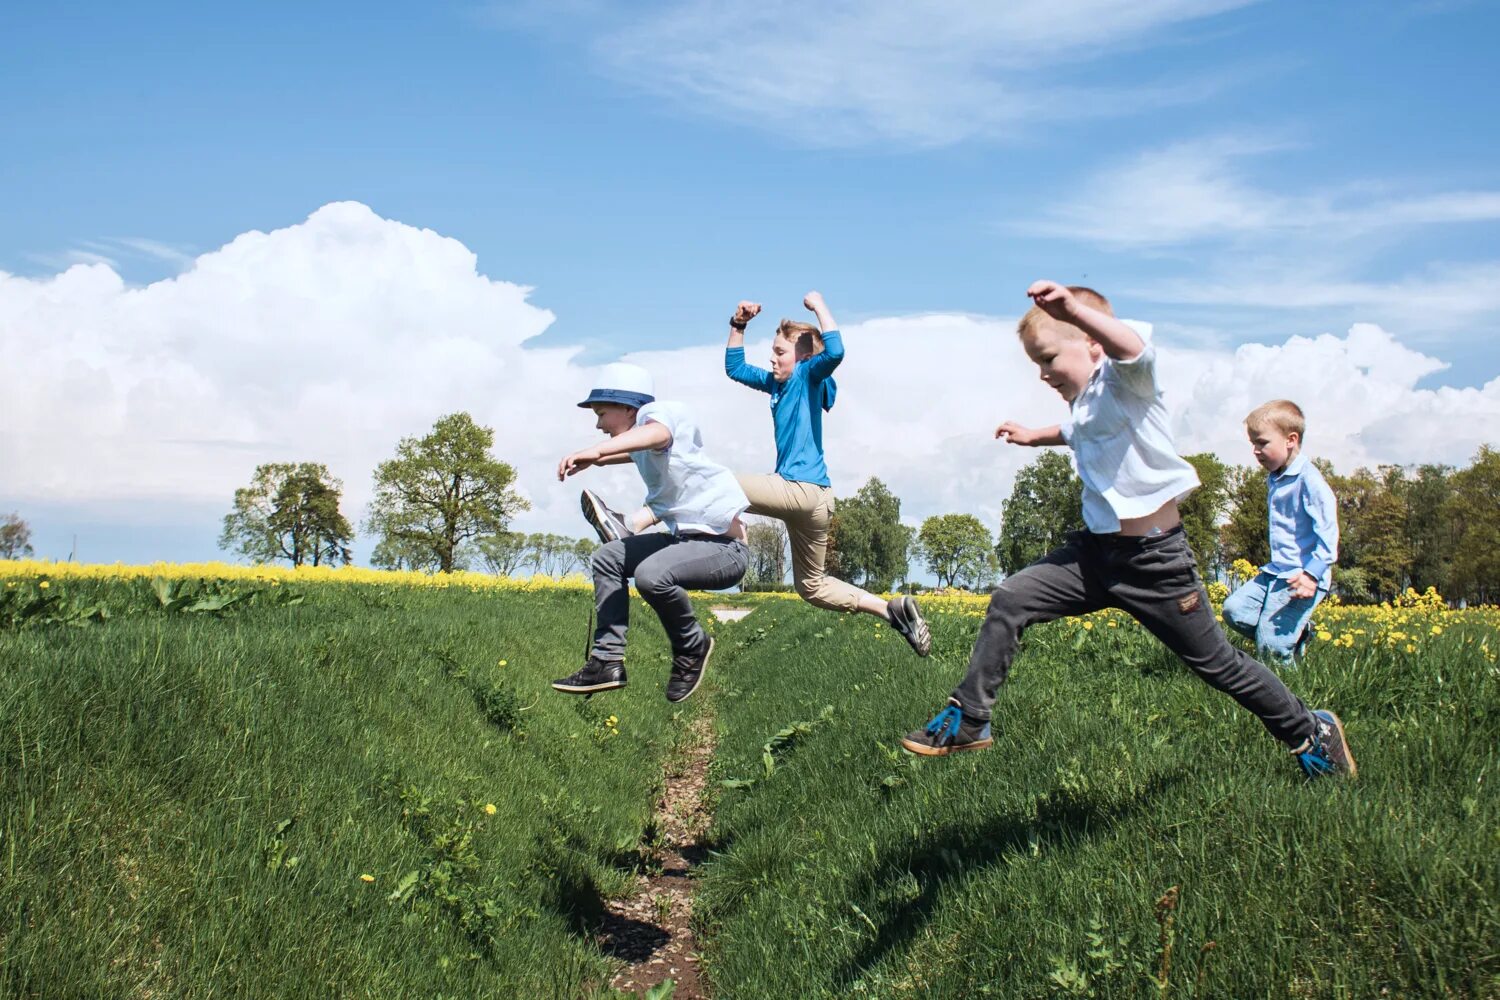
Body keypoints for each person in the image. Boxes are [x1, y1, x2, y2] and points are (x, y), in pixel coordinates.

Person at [900, 282, 1355, 780]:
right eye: (1036, 363)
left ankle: (1312, 731)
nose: (1043, 372)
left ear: (1093, 342)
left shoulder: (1128, 382)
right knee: (1010, 598)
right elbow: (1076, 431)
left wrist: (1074, 309)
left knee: (1218, 664)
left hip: (1156, 565)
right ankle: (970, 718)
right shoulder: (1089, 403)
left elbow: (1133, 348)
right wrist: (1034, 436)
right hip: (1096, 556)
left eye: (1049, 357)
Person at [580, 291, 930, 656]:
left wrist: (819, 305)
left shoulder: (808, 375)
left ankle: (632, 523)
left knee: (717, 480)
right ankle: (892, 611)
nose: (772, 358)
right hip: (814, 502)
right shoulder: (777, 385)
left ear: (805, 357)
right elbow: (735, 368)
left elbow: (837, 351)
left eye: (780, 352)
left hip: (801, 490)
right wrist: (738, 325)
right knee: (812, 587)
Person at [554, 362, 749, 703]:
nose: (598, 425)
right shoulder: (649, 451)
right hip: (682, 543)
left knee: (650, 575)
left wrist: (597, 451)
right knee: (608, 558)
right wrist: (598, 461)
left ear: (629, 407)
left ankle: (692, 647)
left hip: (724, 549)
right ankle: (607, 660)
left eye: (601, 414)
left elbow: (657, 435)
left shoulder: (663, 413)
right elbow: (639, 448)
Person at [1221, 400, 1339, 663]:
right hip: (1276, 571)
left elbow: (1329, 533)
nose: (1255, 451)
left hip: (1302, 576)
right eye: (1253, 444)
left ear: (1290, 439)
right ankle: (1297, 633)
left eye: (1262, 443)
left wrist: (1312, 574)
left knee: (1271, 649)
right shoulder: (1276, 477)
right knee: (1234, 610)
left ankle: (1289, 693)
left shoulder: (1309, 479)